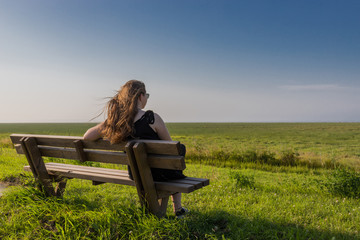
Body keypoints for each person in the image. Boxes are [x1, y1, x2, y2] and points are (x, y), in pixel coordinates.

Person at [83, 80, 188, 218]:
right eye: (147, 95)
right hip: (161, 173)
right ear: (140, 96)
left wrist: (109, 123)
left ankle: (172, 208)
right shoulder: (152, 118)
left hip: (136, 173)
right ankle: (178, 208)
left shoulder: (117, 121)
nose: (146, 99)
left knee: (168, 162)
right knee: (178, 151)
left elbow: (87, 136)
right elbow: (170, 148)